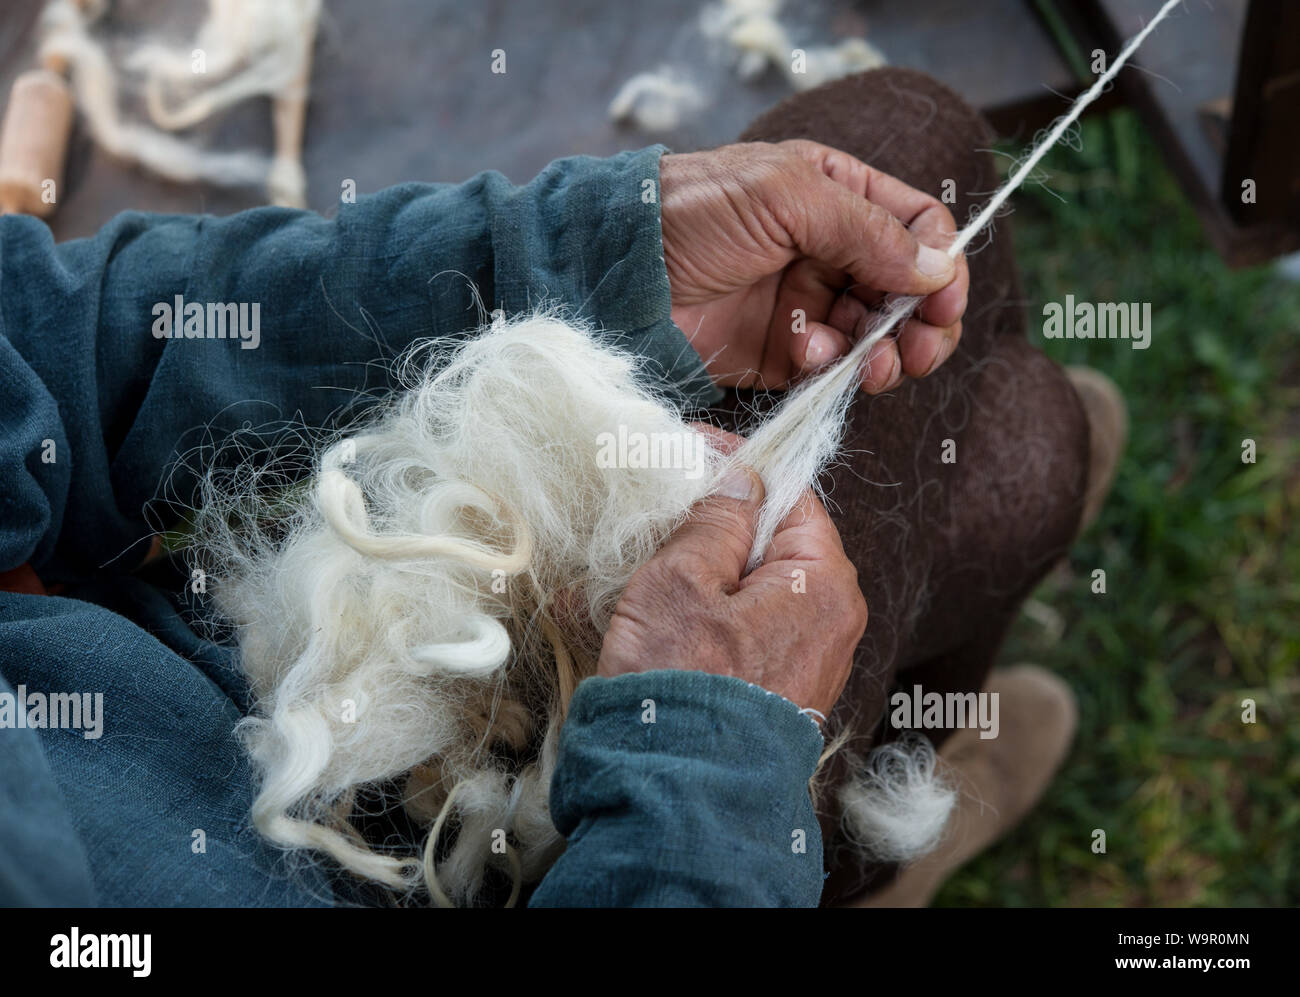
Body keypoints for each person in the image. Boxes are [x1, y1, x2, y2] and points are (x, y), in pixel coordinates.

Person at [0, 67, 1118, 906]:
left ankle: (883, 773)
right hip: (456, 863)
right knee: (1030, 452)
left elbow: (50, 344)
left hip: (250, 662)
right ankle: (864, 842)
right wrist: (705, 776)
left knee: (914, 153)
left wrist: (587, 261)